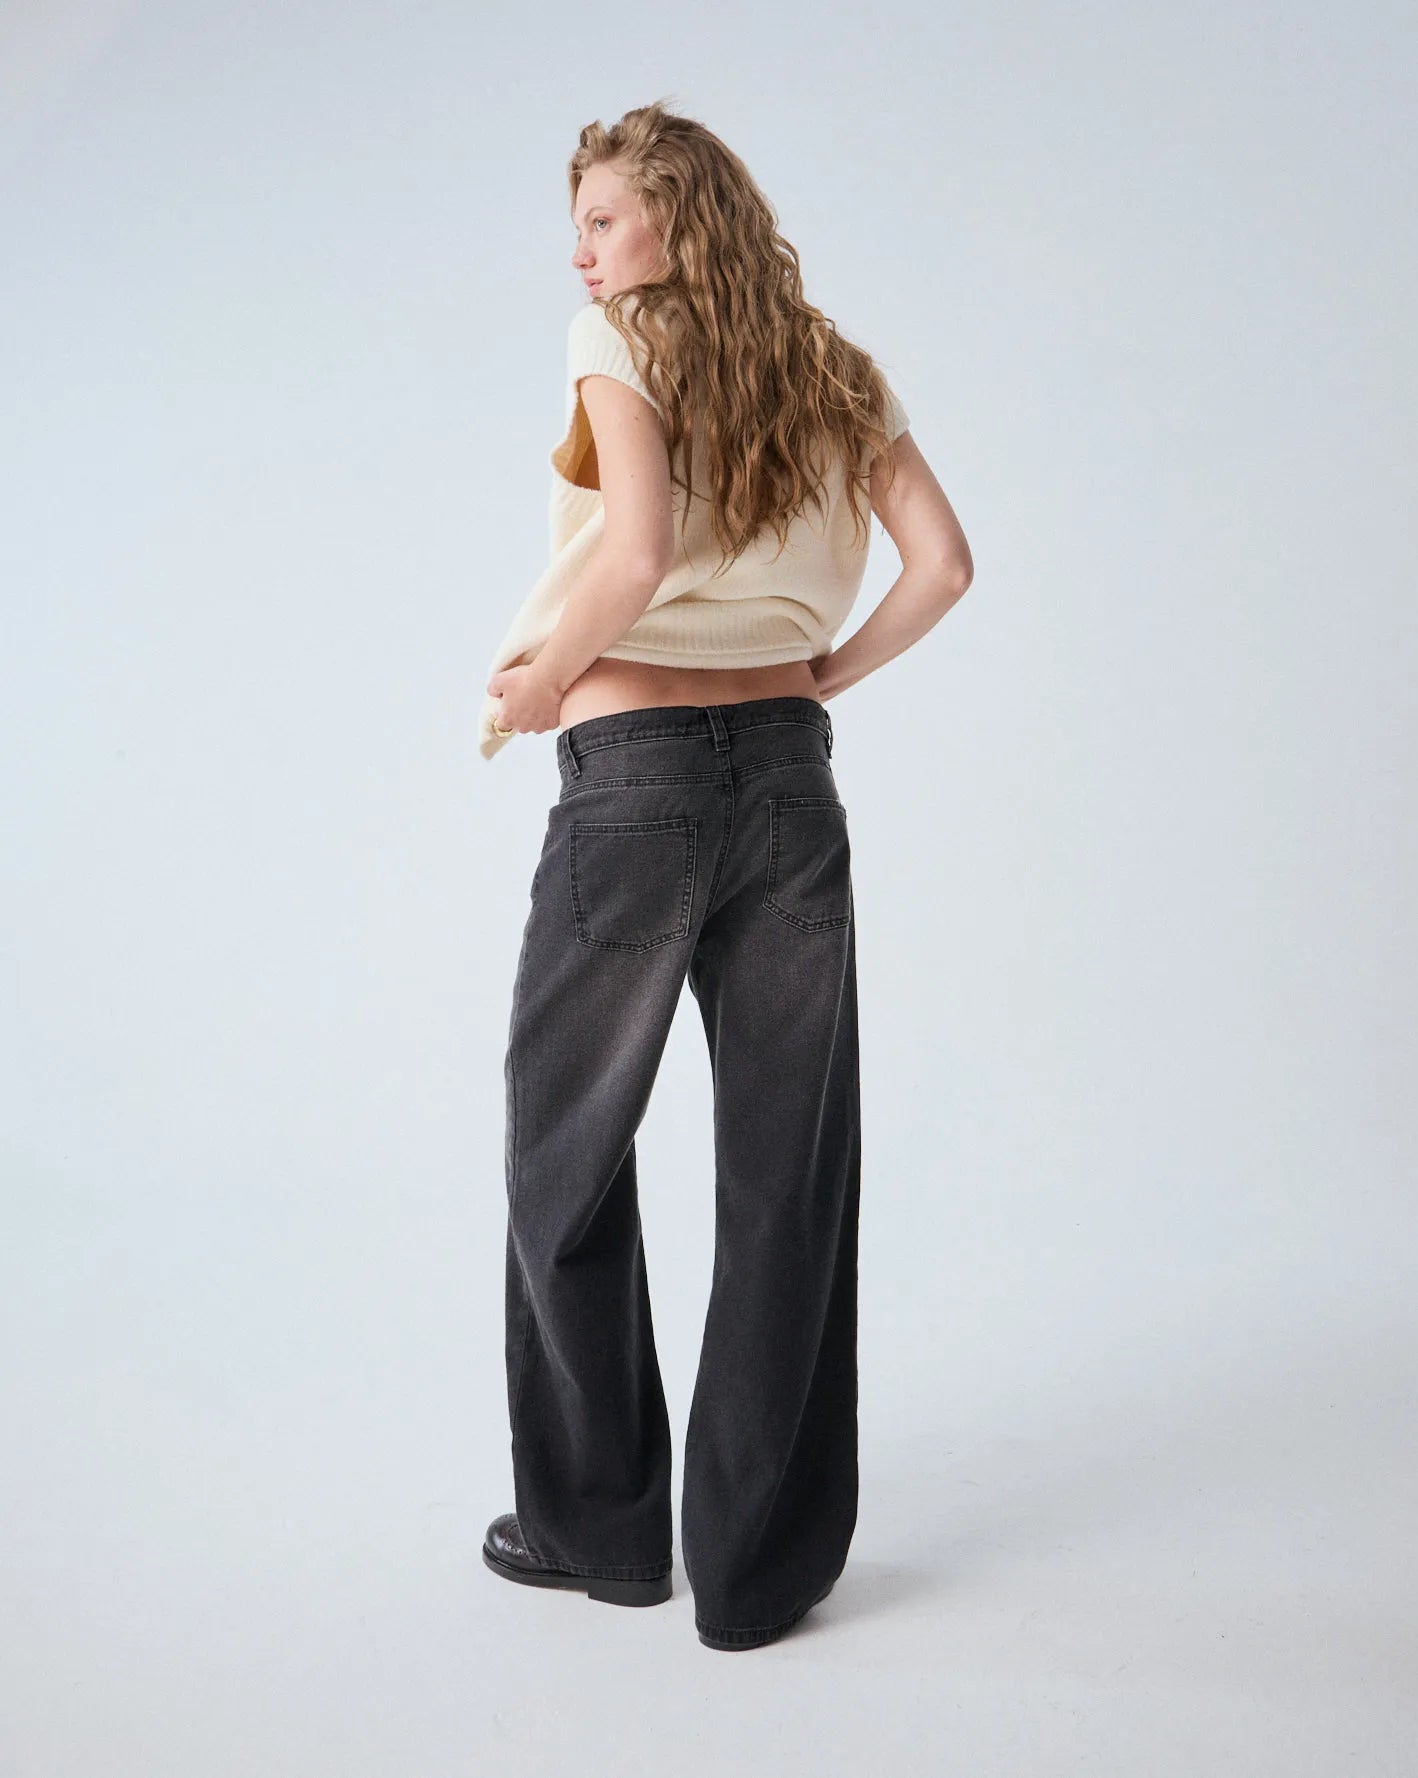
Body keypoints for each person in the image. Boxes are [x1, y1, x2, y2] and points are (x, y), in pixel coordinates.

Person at [479, 100, 974, 1651]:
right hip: (785, 782)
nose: (583, 251)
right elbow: (945, 565)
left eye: (605, 218)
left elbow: (631, 554)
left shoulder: (611, 341)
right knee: (787, 1175)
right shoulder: (832, 368)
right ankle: (756, 1576)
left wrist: (537, 682)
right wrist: (820, 673)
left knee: (563, 1153)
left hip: (631, 781)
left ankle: (599, 1529)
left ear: (677, 217)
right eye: (579, 225)